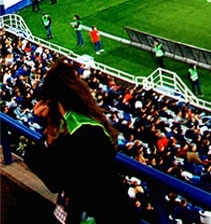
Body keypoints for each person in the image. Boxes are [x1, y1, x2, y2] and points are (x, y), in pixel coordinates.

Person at [24, 61, 137, 224]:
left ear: (54, 101)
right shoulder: (76, 124)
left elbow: (54, 178)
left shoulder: (83, 132)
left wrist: (47, 127)